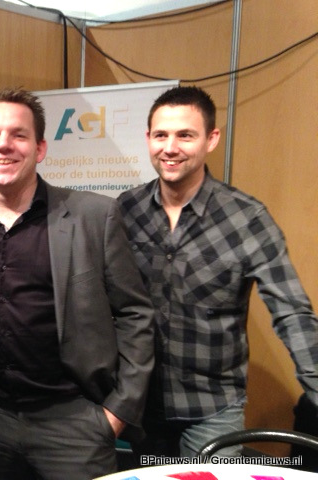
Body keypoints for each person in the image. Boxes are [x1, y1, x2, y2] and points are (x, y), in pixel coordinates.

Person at [0, 87, 155, 479]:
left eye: (18, 135)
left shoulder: (95, 216)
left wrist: (118, 411)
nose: (3, 144)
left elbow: (135, 313)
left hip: (74, 423)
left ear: (40, 148)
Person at [118, 85, 318, 458]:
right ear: (148, 139)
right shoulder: (124, 211)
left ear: (211, 139)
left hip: (212, 408)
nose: (170, 147)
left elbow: (292, 311)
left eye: (185, 135)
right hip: (140, 403)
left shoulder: (247, 218)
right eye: (161, 135)